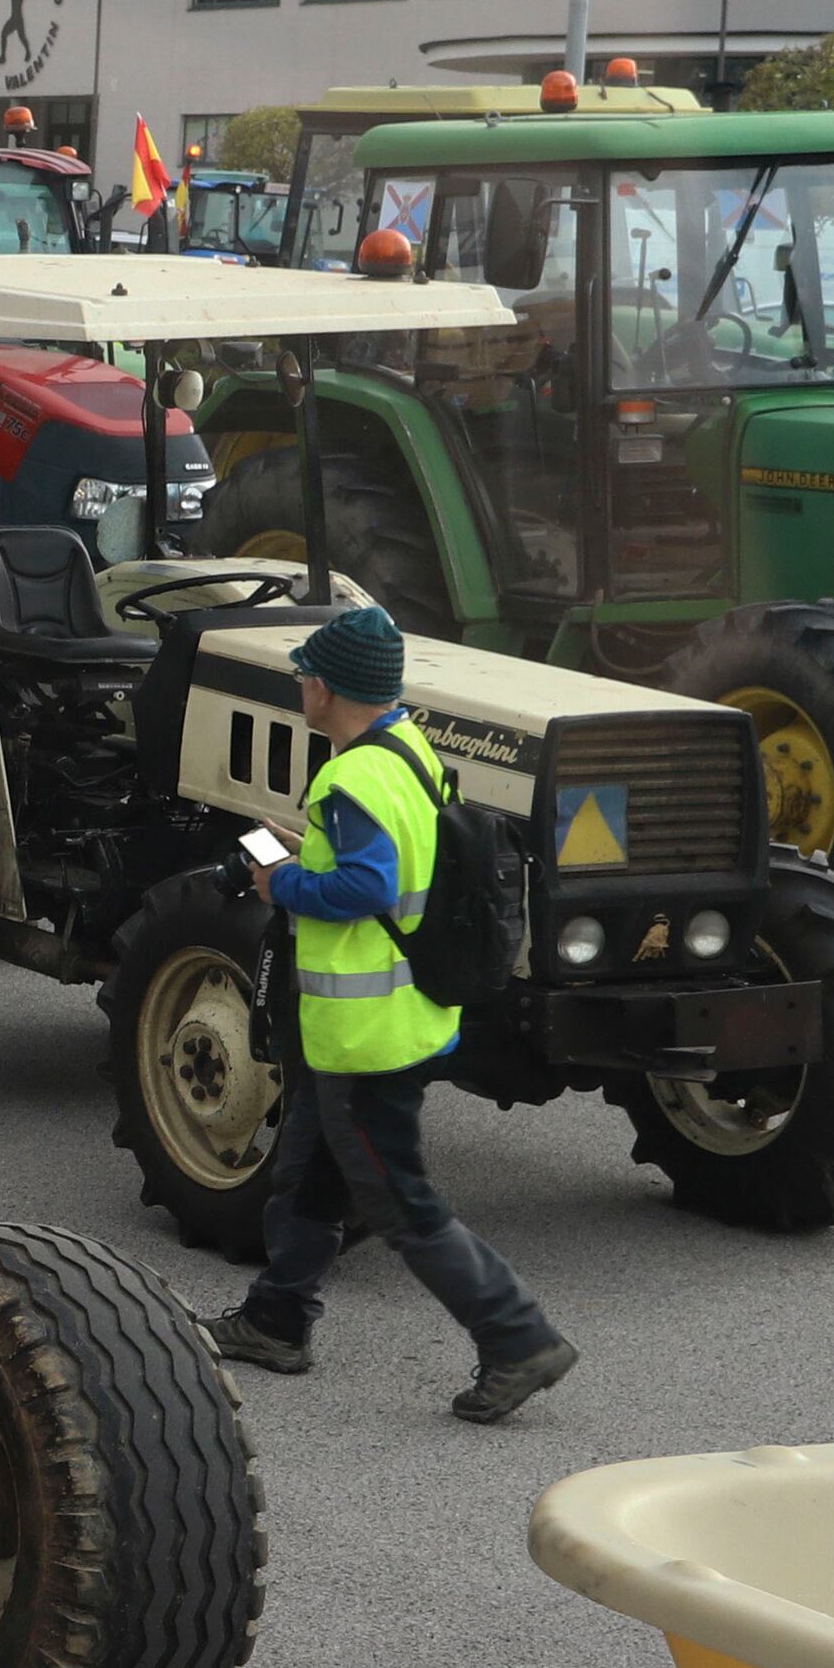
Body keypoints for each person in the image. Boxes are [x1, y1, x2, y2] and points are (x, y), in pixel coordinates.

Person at [208, 605, 576, 1422]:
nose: (299, 681)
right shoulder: (406, 748)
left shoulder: (347, 777)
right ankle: (277, 1319)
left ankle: (519, 1338)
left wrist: (285, 883)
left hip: (370, 1040)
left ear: (329, 688)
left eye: (306, 672)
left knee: (400, 1202)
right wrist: (310, 849)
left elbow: (371, 887)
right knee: (306, 1168)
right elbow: (400, 863)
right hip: (393, 1022)